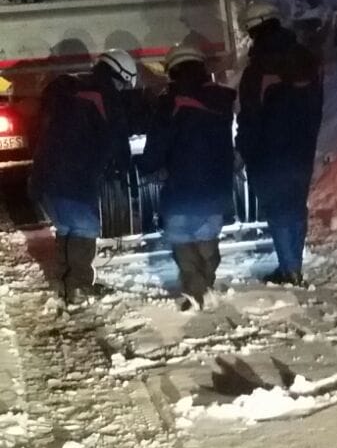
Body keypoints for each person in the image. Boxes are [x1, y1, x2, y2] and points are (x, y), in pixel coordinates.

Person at [31, 48, 138, 304]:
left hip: (44, 175)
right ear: (120, 75)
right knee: (84, 227)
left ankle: (64, 281)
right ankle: (77, 286)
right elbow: (117, 139)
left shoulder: (71, 90)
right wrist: (122, 169)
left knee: (67, 227)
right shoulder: (106, 95)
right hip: (74, 177)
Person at [236, 0, 323, 286]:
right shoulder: (307, 60)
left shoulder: (259, 70)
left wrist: (243, 152)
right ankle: (292, 264)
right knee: (296, 207)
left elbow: (250, 118)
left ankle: (289, 271)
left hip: (269, 154)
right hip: (303, 148)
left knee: (278, 210)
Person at [143, 44, 236, 309]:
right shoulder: (222, 99)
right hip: (217, 186)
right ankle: (203, 285)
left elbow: (156, 147)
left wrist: (147, 165)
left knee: (182, 239)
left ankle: (196, 290)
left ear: (173, 71)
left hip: (181, 187)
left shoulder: (169, 103)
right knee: (208, 239)